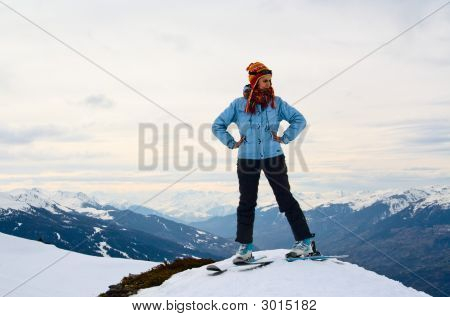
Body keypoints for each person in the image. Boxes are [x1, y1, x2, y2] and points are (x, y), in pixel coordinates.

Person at [212, 62, 317, 262]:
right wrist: (231, 143)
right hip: (247, 160)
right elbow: (217, 125)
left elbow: (299, 120)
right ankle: (245, 248)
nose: (269, 84)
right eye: (264, 81)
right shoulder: (237, 105)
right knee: (246, 203)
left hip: (273, 158)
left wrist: (285, 138)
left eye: (270, 80)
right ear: (254, 82)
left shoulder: (276, 103)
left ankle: (304, 242)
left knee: (286, 199)